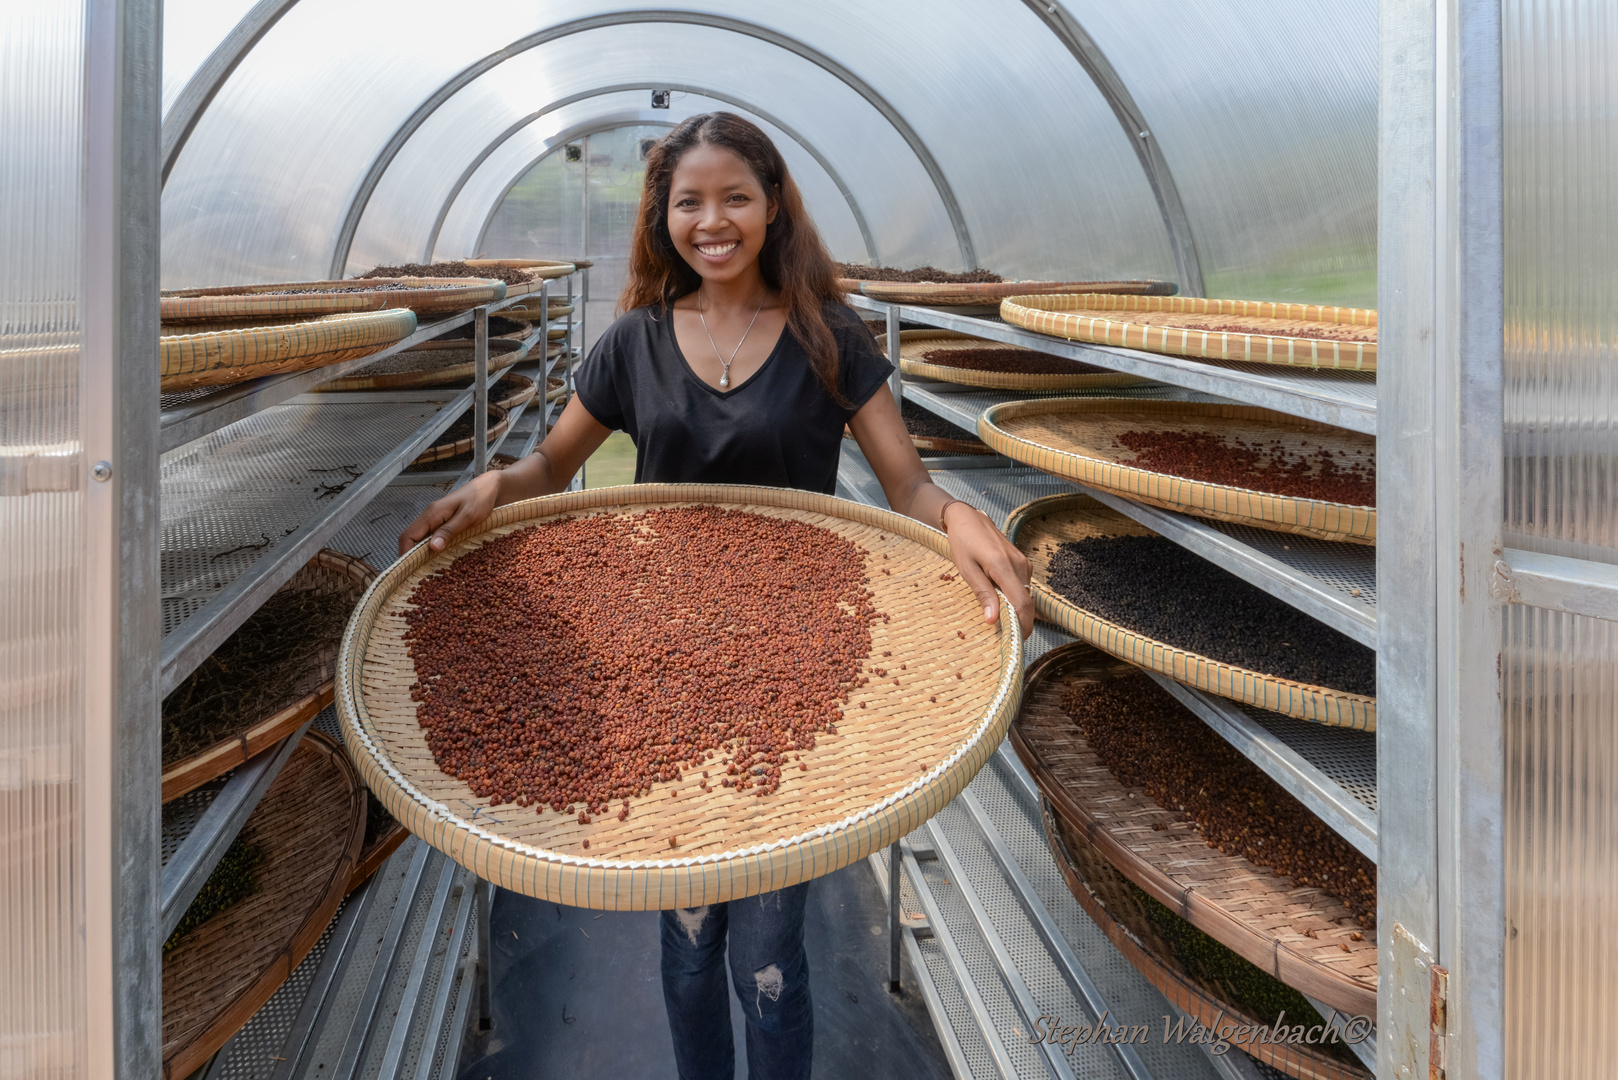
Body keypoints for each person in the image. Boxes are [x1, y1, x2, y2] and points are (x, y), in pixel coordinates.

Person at [400, 111, 1032, 1080]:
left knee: (769, 957)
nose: (713, 220)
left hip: (798, 685)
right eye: (689, 201)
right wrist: (497, 484)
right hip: (665, 680)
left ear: (772, 205)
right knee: (687, 946)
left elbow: (905, 483)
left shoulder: (828, 338)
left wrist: (957, 519)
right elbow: (551, 468)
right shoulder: (633, 344)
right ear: (662, 216)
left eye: (735, 196)